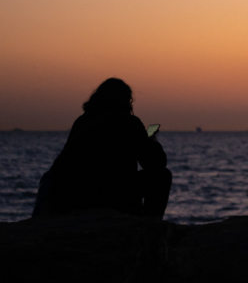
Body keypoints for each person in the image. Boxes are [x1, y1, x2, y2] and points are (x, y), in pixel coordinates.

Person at [33, 78, 171, 219]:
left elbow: (64, 163)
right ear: (125, 101)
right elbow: (156, 163)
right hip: (116, 196)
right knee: (162, 176)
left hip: (80, 196)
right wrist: (150, 139)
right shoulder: (129, 123)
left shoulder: (82, 122)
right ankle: (150, 225)